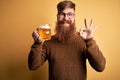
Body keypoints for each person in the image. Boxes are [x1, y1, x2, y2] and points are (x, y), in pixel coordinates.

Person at [28, 0, 106, 80]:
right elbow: (33, 66)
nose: (65, 18)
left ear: (75, 17)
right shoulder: (49, 42)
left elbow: (100, 67)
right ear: (57, 16)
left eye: (70, 14)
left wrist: (89, 41)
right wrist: (37, 44)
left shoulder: (84, 41)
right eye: (62, 14)